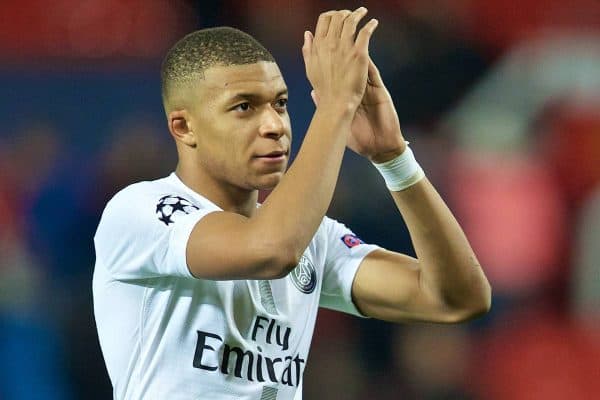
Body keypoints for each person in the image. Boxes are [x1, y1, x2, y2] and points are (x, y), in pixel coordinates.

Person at [93, 7, 491, 400]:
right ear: (184, 126)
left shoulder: (311, 238)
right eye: (244, 107)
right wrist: (337, 105)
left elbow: (457, 299)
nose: (274, 125)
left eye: (280, 103)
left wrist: (393, 159)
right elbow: (271, 250)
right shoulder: (140, 211)